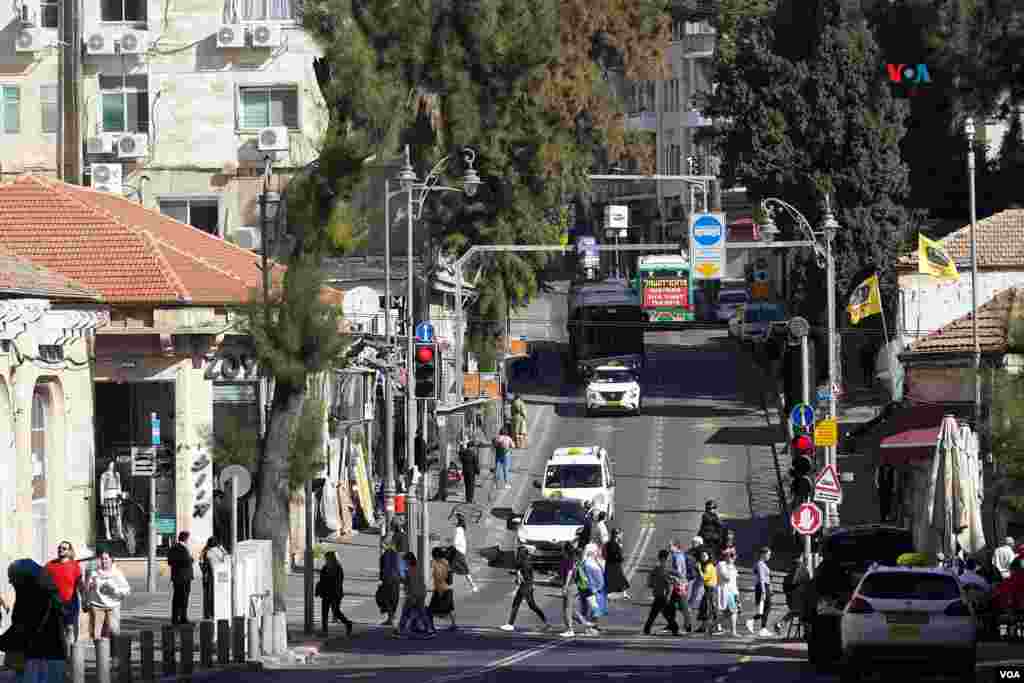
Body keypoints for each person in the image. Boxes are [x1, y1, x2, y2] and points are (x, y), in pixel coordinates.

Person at [0, 559, 68, 683]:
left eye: (12, 577)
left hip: (40, 660)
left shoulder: (33, 596)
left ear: (23, 577)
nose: (10, 581)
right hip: (51, 657)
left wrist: (2, 642)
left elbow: (23, 630)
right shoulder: (45, 593)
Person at [500, 546, 551, 632]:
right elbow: (523, 573)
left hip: (525, 586)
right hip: (529, 586)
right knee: (532, 605)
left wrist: (518, 576)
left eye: (518, 552)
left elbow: (524, 576)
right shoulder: (526, 561)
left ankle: (510, 624)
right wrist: (516, 573)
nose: (517, 554)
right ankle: (546, 623)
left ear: (521, 554)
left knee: (516, 604)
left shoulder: (524, 563)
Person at [44, 541, 82, 654]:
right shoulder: (50, 565)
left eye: (64, 548)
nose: (61, 550)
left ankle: (70, 655)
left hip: (71, 602)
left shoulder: (75, 565)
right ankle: (60, 654)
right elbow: (41, 579)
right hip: (54, 603)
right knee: (56, 630)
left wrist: (86, 599)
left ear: (69, 551)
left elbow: (79, 584)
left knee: (70, 628)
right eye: (59, 548)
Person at [83, 552, 130, 642]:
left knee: (114, 632)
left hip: (112, 607)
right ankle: (100, 654)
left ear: (111, 560)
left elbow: (127, 590)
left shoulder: (117, 573)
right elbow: (87, 588)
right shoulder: (94, 572)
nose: (104, 561)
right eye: (102, 559)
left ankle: (115, 654)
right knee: (96, 635)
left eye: (106, 559)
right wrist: (89, 587)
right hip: (96, 606)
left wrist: (114, 590)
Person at [395, 553, 432, 638]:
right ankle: (429, 630)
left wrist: (399, 577)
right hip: (421, 593)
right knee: (422, 613)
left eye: (405, 560)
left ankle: (400, 630)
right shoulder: (418, 569)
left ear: (408, 560)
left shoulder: (408, 570)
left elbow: (407, 582)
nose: (404, 562)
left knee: (405, 613)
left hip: (413, 594)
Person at [644, 549, 680, 636]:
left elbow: (650, 582)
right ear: (665, 558)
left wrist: (653, 585)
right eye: (668, 558)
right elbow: (674, 577)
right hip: (664, 594)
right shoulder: (665, 568)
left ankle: (647, 629)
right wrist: (674, 580)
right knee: (666, 613)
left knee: (656, 612)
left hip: (658, 593)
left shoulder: (656, 568)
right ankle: (675, 628)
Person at [166, 531, 195, 625]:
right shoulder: (181, 548)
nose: (189, 541)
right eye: (189, 539)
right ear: (186, 539)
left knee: (177, 598)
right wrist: (190, 560)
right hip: (183, 577)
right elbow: (185, 561)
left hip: (178, 577)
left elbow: (170, 561)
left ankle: (176, 618)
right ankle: (182, 618)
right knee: (183, 598)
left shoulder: (173, 547)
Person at [746, 546, 773, 637]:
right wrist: (764, 591)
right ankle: (759, 626)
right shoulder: (760, 564)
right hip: (763, 587)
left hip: (764, 587)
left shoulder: (762, 564)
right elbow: (761, 578)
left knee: (764, 609)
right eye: (768, 554)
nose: (769, 556)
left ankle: (761, 627)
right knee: (766, 608)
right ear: (763, 554)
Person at [558, 542, 583, 637]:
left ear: (565, 550)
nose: (561, 550)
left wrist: (565, 585)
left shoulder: (569, 560)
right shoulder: (568, 559)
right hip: (572, 586)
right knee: (570, 610)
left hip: (570, 586)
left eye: (562, 549)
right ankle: (586, 624)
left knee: (567, 609)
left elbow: (569, 573)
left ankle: (570, 630)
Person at [428, 547, 456, 631]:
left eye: (433, 556)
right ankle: (454, 624)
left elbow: (439, 577)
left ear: (436, 556)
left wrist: (437, 590)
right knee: (449, 609)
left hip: (441, 590)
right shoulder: (446, 563)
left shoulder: (438, 564)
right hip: (447, 589)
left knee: (430, 610)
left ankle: (431, 626)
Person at [377, 538, 404, 626]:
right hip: (396, 579)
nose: (382, 546)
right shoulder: (397, 554)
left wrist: (381, 579)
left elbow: (384, 568)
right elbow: (400, 568)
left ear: (387, 544)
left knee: (386, 598)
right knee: (394, 598)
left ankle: (390, 618)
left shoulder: (385, 555)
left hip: (388, 579)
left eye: (383, 544)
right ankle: (391, 617)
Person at [199, 537, 226, 620]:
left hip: (210, 577)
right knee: (220, 595)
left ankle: (208, 614)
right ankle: (218, 612)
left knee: (208, 596)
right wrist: (222, 549)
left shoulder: (207, 552)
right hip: (221, 576)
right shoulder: (220, 552)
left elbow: (203, 566)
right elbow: (227, 559)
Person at [451, 513, 479, 592]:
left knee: (464, 570)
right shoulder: (460, 529)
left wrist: (452, 544)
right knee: (462, 570)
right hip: (460, 551)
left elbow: (456, 541)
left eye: (455, 519)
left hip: (458, 552)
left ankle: (473, 586)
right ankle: (473, 585)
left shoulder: (458, 529)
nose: (453, 520)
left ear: (458, 521)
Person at [716, 552, 740, 636]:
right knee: (733, 611)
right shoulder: (721, 564)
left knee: (727, 614)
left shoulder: (732, 566)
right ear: (726, 556)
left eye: (734, 556)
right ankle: (733, 632)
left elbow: (734, 582)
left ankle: (711, 627)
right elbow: (726, 578)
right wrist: (730, 568)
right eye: (731, 555)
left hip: (732, 592)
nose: (733, 558)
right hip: (725, 591)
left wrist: (737, 593)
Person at [100, 461, 124, 540]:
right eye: (110, 464)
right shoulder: (104, 475)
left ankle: (120, 532)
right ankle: (107, 532)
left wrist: (120, 496)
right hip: (107, 496)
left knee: (118, 516)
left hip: (115, 496)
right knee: (106, 516)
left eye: (113, 464)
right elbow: (102, 487)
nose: (111, 466)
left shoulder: (117, 474)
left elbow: (119, 485)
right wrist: (101, 499)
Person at [604, 529, 630, 600]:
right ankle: (624, 594)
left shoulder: (607, 543)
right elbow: (619, 555)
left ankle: (609, 595)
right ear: (616, 535)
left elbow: (604, 554)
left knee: (609, 579)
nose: (620, 535)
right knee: (620, 579)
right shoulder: (617, 544)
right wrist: (621, 558)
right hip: (615, 564)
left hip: (609, 564)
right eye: (619, 534)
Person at [698, 550, 718, 637]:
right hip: (709, 588)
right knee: (706, 606)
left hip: (709, 588)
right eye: (702, 555)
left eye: (704, 555)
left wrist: (699, 569)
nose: (702, 557)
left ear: (709, 556)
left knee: (707, 607)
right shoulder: (709, 565)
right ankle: (704, 626)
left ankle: (712, 627)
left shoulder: (709, 566)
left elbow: (704, 578)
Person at [458, 439, 480, 503]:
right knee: (471, 486)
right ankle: (471, 499)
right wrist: (478, 471)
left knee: (467, 485)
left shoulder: (463, 453)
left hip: (465, 471)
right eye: (473, 447)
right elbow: (475, 463)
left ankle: (467, 499)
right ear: (472, 447)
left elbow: (461, 459)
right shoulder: (473, 454)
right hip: (471, 472)